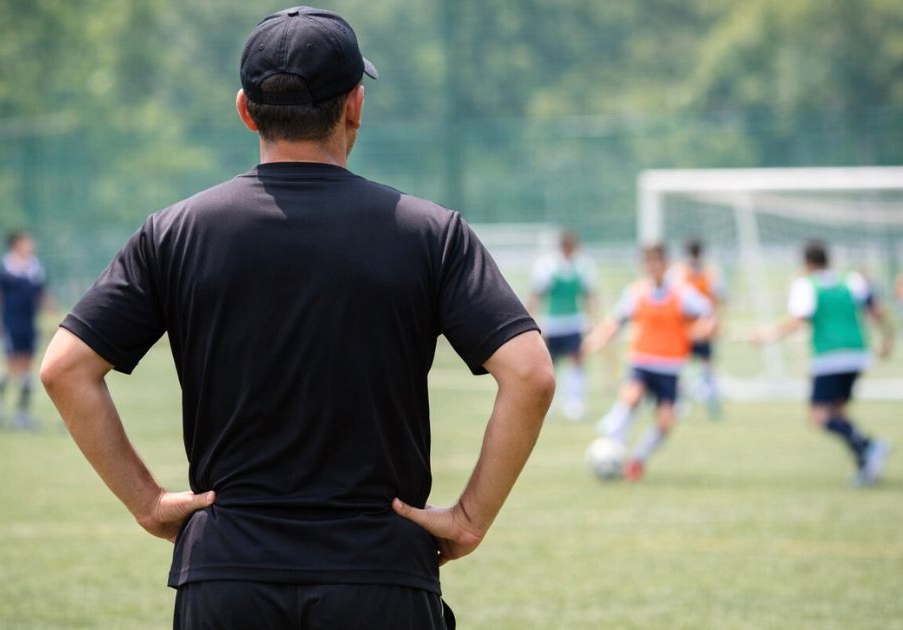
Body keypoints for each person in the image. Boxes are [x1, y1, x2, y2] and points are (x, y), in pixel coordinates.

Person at [39, 7, 554, 629]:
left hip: (226, 573)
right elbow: (530, 373)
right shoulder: (429, 233)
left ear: (245, 110)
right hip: (379, 570)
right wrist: (470, 517)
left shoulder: (174, 232)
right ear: (355, 105)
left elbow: (65, 369)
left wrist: (148, 503)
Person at [753, 240, 893, 487]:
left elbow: (798, 320)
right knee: (837, 413)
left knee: (818, 416)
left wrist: (769, 335)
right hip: (857, 353)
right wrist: (888, 338)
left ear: (806, 263)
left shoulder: (807, 284)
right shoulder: (851, 280)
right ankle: (866, 466)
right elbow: (876, 311)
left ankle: (869, 445)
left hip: (829, 356)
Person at [583, 244, 715, 482]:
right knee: (631, 398)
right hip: (642, 360)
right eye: (648, 262)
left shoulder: (681, 292)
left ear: (666, 264)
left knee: (665, 422)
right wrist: (595, 340)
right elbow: (616, 321)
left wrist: (703, 329)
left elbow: (708, 313)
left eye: (657, 261)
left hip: (670, 367)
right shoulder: (636, 292)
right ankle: (613, 444)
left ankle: (637, 459)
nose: (653, 267)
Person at [0, 229, 52, 430]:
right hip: (10, 324)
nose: (31, 245)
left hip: (29, 324)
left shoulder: (35, 268)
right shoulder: (5, 268)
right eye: (26, 241)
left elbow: (42, 295)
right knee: (11, 364)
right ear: (16, 245)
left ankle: (22, 414)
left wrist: (52, 315)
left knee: (28, 366)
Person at [528, 230, 596, 421]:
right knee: (550, 364)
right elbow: (537, 295)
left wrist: (592, 320)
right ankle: (548, 403)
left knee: (576, 361)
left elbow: (589, 295)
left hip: (574, 323)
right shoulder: (548, 267)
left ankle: (574, 403)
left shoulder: (582, 266)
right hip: (552, 324)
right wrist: (532, 319)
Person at [669, 238, 726, 419]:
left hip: (701, 328)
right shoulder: (680, 273)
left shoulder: (708, 273)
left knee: (704, 366)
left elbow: (717, 299)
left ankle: (711, 401)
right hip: (686, 329)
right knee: (680, 366)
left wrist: (714, 323)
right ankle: (680, 401)